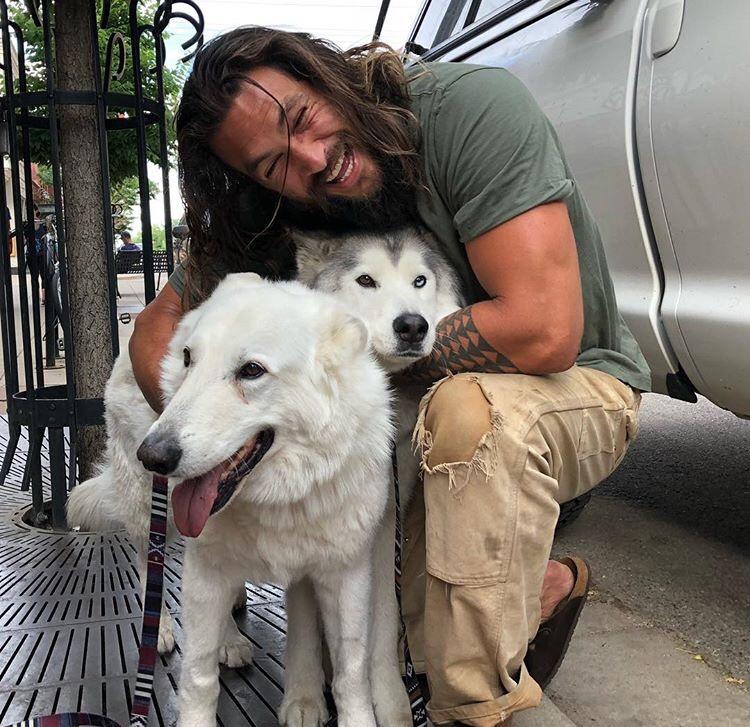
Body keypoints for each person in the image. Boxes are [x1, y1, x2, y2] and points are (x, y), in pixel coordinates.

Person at [129, 28, 650, 726]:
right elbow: (157, 332)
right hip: (407, 428)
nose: (313, 160)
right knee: (396, 618)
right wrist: (220, 438)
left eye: (302, 119)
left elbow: (544, 328)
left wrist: (352, 377)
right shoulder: (267, 211)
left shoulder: (468, 112)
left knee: (468, 414)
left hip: (569, 389)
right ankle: (533, 584)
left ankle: (479, 711)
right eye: (272, 163)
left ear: (321, 73)